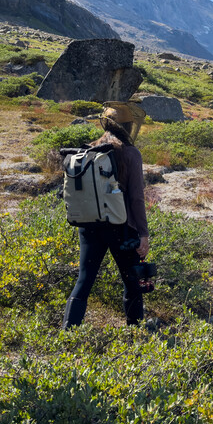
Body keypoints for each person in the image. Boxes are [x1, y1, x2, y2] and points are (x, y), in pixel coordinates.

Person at [62, 100, 150, 328]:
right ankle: (136, 336)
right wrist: (143, 233)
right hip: (121, 227)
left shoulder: (90, 149)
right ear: (128, 127)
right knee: (132, 283)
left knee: (84, 280)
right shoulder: (130, 153)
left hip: (89, 224)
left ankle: (67, 334)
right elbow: (136, 199)